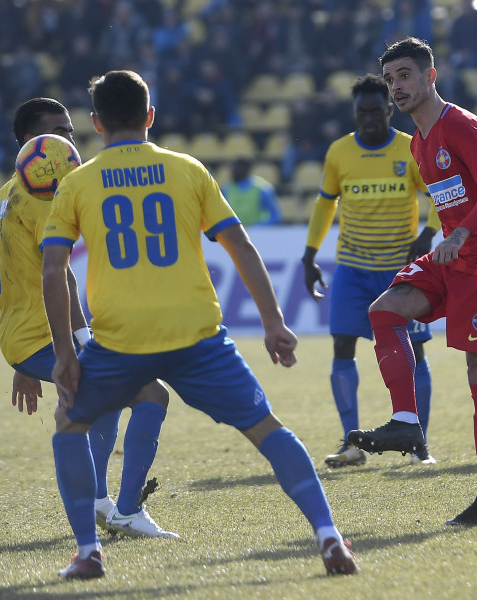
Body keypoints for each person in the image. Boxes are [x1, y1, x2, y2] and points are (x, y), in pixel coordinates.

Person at [41, 70, 358, 579]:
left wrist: (64, 355)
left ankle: (87, 551)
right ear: (149, 116)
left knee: (69, 424)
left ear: (96, 123)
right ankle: (328, 536)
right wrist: (274, 323)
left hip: (121, 342)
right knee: (266, 428)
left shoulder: (77, 182)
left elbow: (54, 271)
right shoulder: (187, 170)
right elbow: (241, 247)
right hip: (197, 338)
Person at [347, 37, 477, 527]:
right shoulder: (420, 142)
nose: (396, 87)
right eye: (390, 80)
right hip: (454, 252)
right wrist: (450, 236)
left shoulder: (459, 125)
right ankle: (407, 421)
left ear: (431, 75)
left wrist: (464, 231)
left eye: (404, 75)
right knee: (385, 309)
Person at [0, 97, 175, 541]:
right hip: (42, 335)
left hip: (25, 337)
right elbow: (62, 279)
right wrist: (76, 343)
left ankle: (98, 501)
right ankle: (125, 511)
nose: (68, 142)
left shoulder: (4, 195)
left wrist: (20, 358)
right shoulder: (43, 201)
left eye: (69, 132)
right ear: (30, 143)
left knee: (103, 401)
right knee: (152, 393)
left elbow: (11, 274)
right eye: (56, 133)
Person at [301, 74, 438, 468]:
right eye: (362, 112)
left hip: (401, 270)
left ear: (389, 110)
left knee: (417, 350)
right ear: (355, 112)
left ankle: (418, 445)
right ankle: (351, 444)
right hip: (353, 267)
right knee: (342, 345)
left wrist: (428, 233)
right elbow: (326, 205)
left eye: (376, 111)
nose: (369, 119)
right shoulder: (339, 153)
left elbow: (436, 197)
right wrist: (309, 255)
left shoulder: (410, 149)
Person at [221, 157, 281, 226]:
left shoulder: (262, 188)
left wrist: (259, 228)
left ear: (246, 169)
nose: (233, 171)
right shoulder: (227, 189)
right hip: (235, 232)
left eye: (236, 168)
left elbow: (275, 216)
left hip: (258, 234)